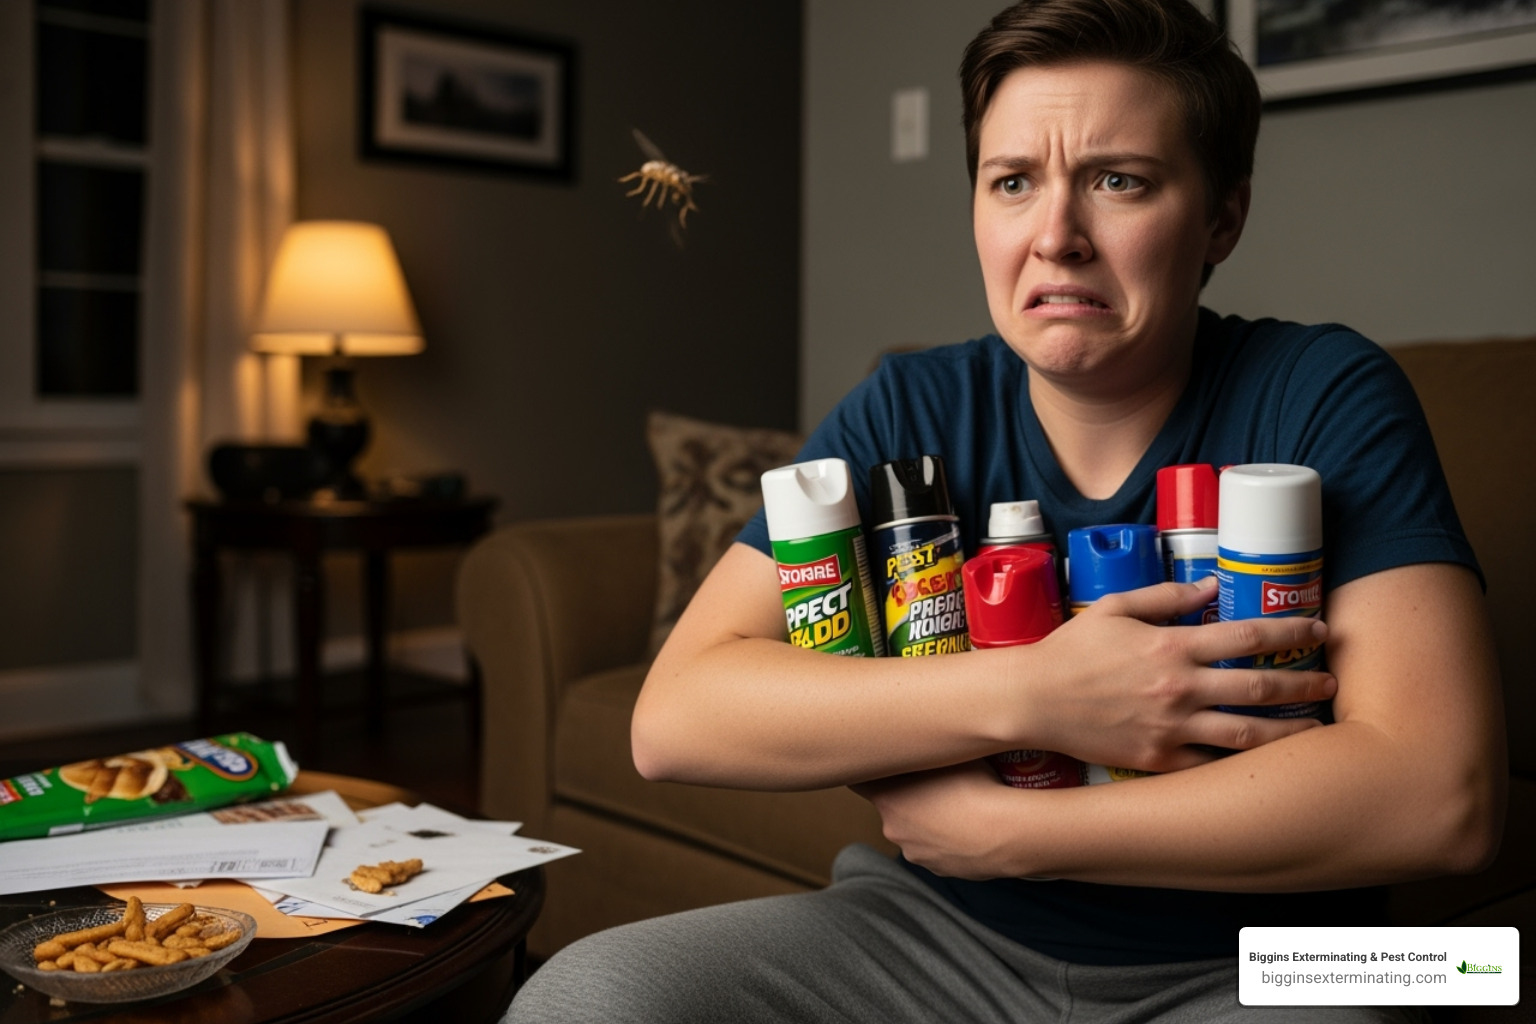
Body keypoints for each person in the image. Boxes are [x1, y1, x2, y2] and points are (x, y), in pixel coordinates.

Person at [506, 0, 1505, 1020]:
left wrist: (1018, 835)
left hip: (1284, 959)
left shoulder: (1325, 389)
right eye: (1013, 182)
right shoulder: (911, 404)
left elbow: (1443, 799)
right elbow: (675, 720)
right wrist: (1034, 691)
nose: (1055, 237)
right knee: (585, 994)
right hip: (935, 931)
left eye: (1120, 180)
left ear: (1221, 217)